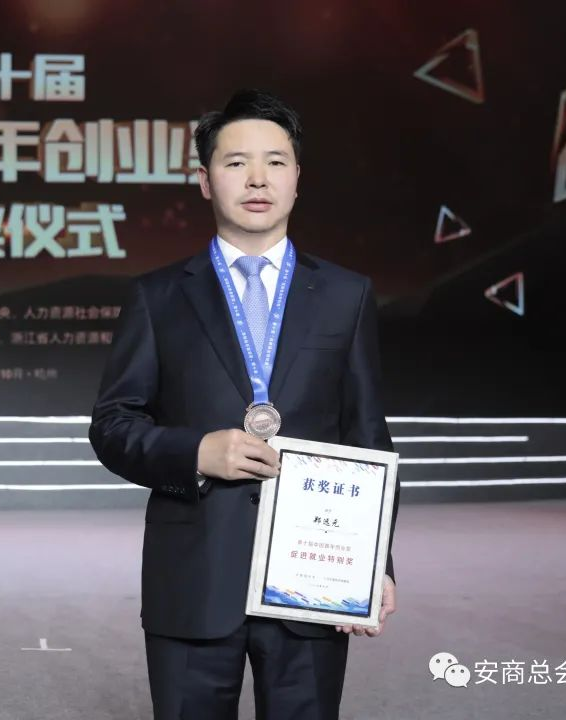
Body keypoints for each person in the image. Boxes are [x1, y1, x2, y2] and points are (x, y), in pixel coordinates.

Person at [89, 89, 399, 720]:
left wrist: (374, 562)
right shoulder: (157, 297)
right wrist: (195, 452)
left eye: (275, 162)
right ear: (205, 180)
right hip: (194, 578)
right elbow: (112, 426)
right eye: (236, 163)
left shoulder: (347, 295)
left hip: (314, 576)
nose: (258, 179)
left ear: (297, 178)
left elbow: (367, 432)